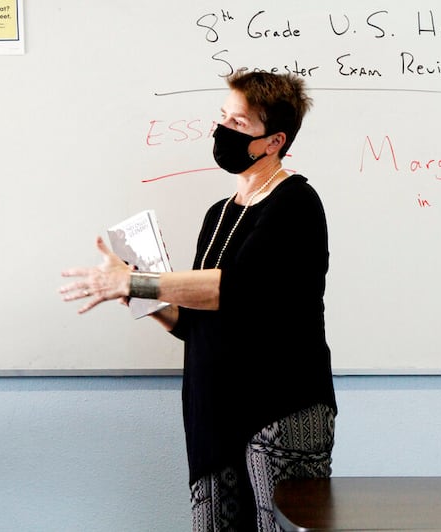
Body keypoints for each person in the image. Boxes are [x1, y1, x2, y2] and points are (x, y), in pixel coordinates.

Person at [60, 71, 337, 531]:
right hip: (213, 415)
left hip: (280, 412)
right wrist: (132, 290)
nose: (222, 130)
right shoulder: (219, 214)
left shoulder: (296, 203)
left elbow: (232, 288)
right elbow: (194, 317)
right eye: (222, 117)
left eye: (239, 123)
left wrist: (137, 284)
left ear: (274, 141)